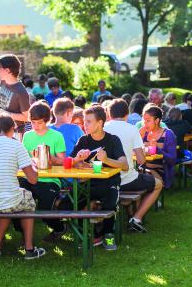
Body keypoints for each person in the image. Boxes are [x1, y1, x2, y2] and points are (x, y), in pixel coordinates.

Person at [0, 113, 46, 260]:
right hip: (8, 200)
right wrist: (34, 164)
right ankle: (29, 249)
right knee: (27, 199)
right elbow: (33, 179)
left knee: (7, 200)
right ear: (12, 129)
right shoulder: (16, 145)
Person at [70, 105, 129, 250]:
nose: (85, 125)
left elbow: (125, 165)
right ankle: (85, 235)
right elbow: (69, 163)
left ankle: (108, 235)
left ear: (100, 123)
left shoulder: (113, 140)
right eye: (84, 121)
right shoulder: (83, 140)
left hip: (109, 183)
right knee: (68, 204)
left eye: (89, 121)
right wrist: (77, 160)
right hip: (87, 184)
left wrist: (107, 160)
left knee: (109, 204)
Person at [104, 99, 163, 233]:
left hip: (105, 180)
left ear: (109, 113)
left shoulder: (102, 127)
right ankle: (136, 218)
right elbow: (142, 160)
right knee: (158, 184)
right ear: (127, 114)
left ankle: (130, 214)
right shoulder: (132, 129)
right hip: (127, 179)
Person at [21, 102, 67, 241]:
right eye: (33, 122)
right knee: (17, 203)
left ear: (47, 120)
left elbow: (62, 161)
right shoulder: (27, 136)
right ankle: (24, 235)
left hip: (50, 180)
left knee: (44, 212)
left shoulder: (56, 136)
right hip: (29, 178)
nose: (36, 126)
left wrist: (45, 156)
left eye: (39, 123)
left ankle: (59, 228)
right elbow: (24, 159)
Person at [165, 107, 192, 193]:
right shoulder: (183, 123)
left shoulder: (163, 123)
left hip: (165, 154)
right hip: (178, 154)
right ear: (180, 116)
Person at [0, 55, 30, 135]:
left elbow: (27, 117)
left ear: (8, 70)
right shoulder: (3, 82)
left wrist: (7, 114)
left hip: (15, 132)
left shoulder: (21, 92)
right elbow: (1, 103)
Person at [139, 104, 177, 189]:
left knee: (144, 177)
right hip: (142, 168)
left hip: (160, 171)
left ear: (157, 121)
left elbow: (172, 159)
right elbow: (133, 153)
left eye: (148, 120)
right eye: (144, 120)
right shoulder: (143, 133)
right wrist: (138, 139)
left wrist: (157, 150)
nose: (144, 124)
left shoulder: (168, 134)